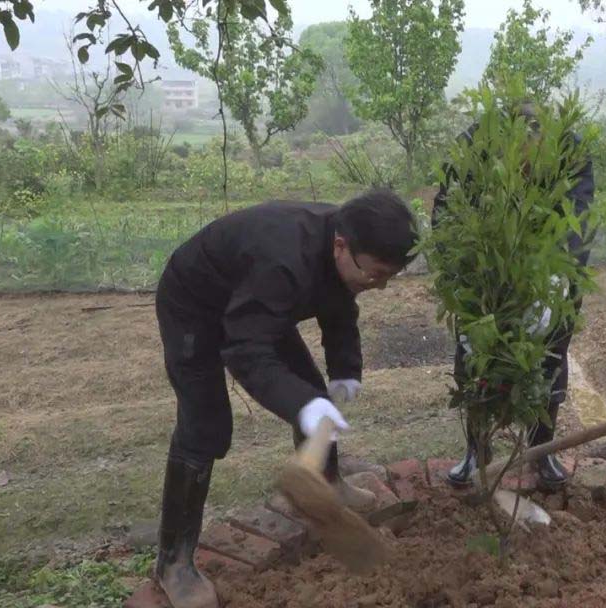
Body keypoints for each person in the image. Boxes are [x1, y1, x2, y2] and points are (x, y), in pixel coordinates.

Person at [153, 190, 417, 608]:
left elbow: (339, 304)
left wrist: (345, 370)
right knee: (205, 425)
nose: (379, 286)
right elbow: (245, 349)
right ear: (341, 246)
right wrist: (303, 405)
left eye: (389, 278)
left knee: (308, 388)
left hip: (258, 302)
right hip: (196, 304)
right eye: (375, 274)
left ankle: (325, 485)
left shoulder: (339, 247)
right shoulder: (283, 261)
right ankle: (174, 563)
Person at [432, 101, 594, 490]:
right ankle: (476, 450)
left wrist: (554, 280)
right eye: (515, 163)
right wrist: (463, 283)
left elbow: (578, 217)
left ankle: (542, 450)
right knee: (475, 357)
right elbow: (446, 211)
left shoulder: (570, 153)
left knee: (551, 354)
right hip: (486, 271)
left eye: (531, 166)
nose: (523, 172)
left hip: (551, 268)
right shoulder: (473, 147)